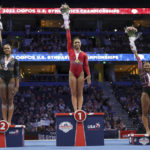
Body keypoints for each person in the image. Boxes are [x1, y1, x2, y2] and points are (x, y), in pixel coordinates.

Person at [60, 4, 91, 111]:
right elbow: (68, 38)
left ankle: (80, 109)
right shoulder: (70, 50)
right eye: (75, 42)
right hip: (72, 73)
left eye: (78, 42)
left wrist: (89, 76)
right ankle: (75, 110)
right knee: (73, 92)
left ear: (81, 44)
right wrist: (67, 28)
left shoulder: (84, 54)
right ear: (73, 44)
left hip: (81, 73)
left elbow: (86, 65)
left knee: (80, 92)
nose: (77, 43)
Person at [126, 26, 150, 134]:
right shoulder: (141, 72)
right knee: (144, 113)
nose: (147, 67)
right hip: (146, 92)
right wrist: (132, 42)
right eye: (146, 66)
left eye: (149, 66)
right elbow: (137, 57)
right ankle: (148, 130)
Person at [0, 15, 20, 124]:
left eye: (8, 48)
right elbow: (0, 40)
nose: (6, 49)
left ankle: (9, 120)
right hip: (2, 79)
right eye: (4, 48)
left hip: (12, 79)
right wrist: (0, 29)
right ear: (3, 50)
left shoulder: (15, 60)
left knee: (10, 100)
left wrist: (17, 86)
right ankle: (4, 121)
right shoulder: (0, 57)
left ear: (11, 49)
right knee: (3, 100)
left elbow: (17, 74)